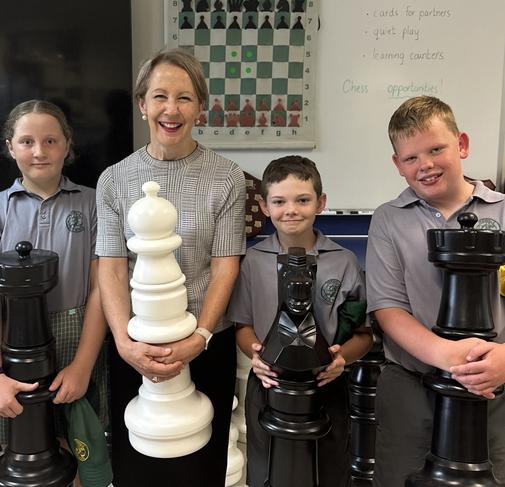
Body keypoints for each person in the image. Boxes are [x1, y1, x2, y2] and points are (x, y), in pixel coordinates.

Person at [95, 48, 246, 487]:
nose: (171, 109)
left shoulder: (228, 177)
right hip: (136, 348)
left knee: (201, 464)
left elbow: (224, 268)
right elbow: (111, 269)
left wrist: (198, 337)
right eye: (159, 96)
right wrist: (124, 342)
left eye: (184, 97)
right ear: (142, 104)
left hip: (205, 343)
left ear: (200, 107)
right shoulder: (114, 179)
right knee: (140, 464)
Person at [0, 101, 110, 470]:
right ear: (10, 147)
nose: (39, 151)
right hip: (12, 342)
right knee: (28, 450)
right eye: (26, 141)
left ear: (67, 145)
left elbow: (101, 289)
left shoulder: (94, 204)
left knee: (75, 446)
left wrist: (83, 365)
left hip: (80, 335)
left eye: (50, 140)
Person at [366, 95, 505, 486]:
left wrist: (502, 361)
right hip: (412, 384)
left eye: (436, 149)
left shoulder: (503, 212)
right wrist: (446, 355)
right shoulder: (388, 220)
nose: (424, 165)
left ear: (461, 144)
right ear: (398, 165)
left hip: (495, 386)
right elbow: (388, 308)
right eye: (410, 158)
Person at [227, 156, 372, 487]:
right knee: (268, 469)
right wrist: (256, 355)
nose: (290, 210)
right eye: (279, 201)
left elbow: (365, 335)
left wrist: (342, 358)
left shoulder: (344, 262)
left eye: (302, 200)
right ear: (264, 205)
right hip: (270, 384)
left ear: (320, 203)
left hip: (326, 384)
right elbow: (242, 326)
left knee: (328, 469)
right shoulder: (252, 261)